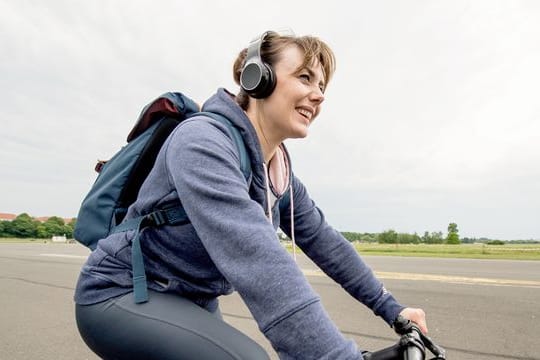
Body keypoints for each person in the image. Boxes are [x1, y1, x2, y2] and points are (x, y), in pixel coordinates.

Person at [74, 30, 427, 360]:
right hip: (121, 292)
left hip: (189, 300)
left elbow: (327, 243)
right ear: (257, 79)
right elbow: (260, 261)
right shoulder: (202, 142)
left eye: (322, 86)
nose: (318, 95)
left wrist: (393, 309)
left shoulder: (278, 173)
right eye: (305, 78)